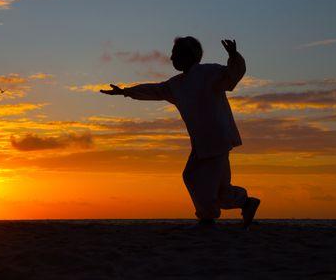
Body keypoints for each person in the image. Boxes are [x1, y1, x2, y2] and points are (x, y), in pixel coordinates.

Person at [100, 37, 261, 229]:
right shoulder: (176, 84)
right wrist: (126, 92)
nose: (171, 58)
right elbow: (154, 90)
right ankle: (245, 203)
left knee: (194, 178)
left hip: (216, 139)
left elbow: (232, 76)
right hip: (204, 144)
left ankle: (207, 218)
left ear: (188, 55)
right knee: (217, 189)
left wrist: (234, 56)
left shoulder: (208, 73)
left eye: (175, 54)